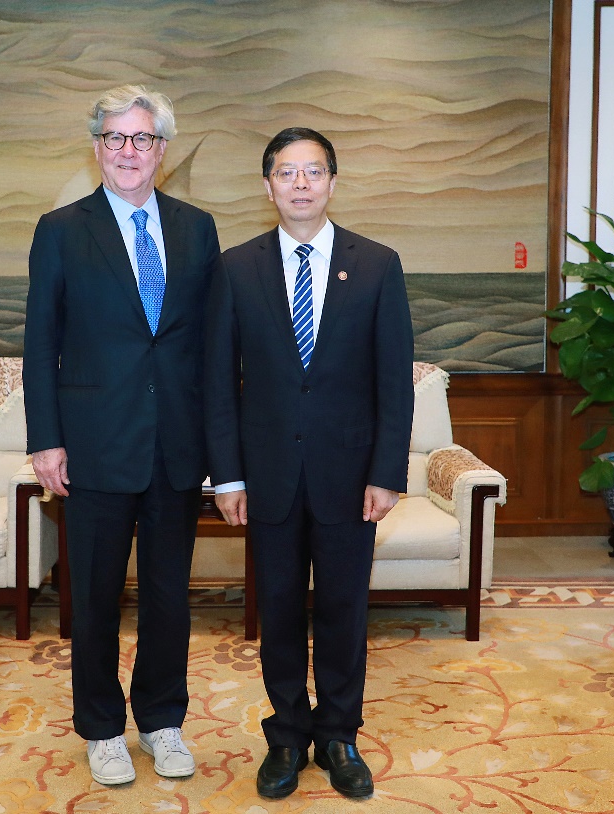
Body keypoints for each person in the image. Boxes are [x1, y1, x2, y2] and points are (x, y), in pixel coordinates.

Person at [204, 127, 414, 800]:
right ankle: (288, 736)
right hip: (266, 475)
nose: (300, 183)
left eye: (313, 171)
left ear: (332, 182)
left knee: (344, 611)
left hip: (350, 477)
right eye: (287, 172)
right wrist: (227, 475)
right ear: (267, 186)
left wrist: (386, 473)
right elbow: (217, 382)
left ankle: (339, 735)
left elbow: (394, 382)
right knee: (280, 611)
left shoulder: (376, 264)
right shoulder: (235, 268)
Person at [23, 85, 221, 786]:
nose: (127, 151)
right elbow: (40, 342)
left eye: (141, 138)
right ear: (97, 147)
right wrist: (46, 441)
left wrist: (220, 448)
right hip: (93, 446)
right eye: (115, 138)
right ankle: (102, 729)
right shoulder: (60, 229)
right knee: (95, 598)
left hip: (176, 447)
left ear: (161, 149)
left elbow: (209, 345)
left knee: (169, 598)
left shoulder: (198, 228)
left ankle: (163, 720)